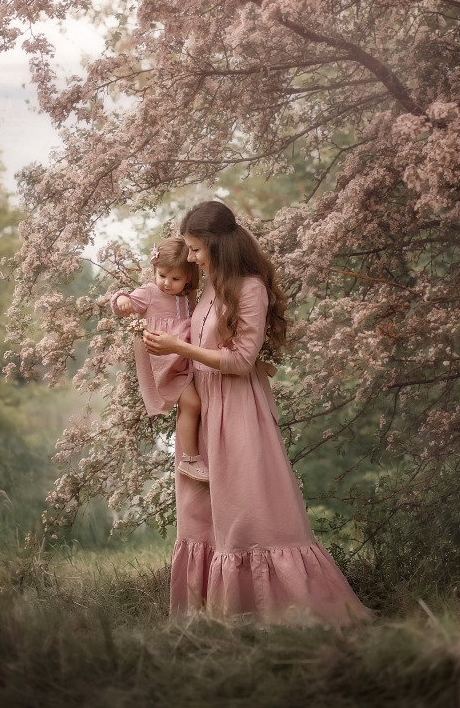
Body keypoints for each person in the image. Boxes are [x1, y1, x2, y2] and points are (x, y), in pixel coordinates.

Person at [143, 200, 370, 625]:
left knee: (251, 512)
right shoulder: (209, 284)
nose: (191, 258)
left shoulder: (250, 288)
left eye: (196, 249)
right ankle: (212, 615)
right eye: (188, 250)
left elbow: (241, 360)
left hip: (238, 410)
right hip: (207, 407)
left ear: (217, 246)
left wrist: (178, 348)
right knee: (200, 515)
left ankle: (276, 613)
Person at [111, 237, 209, 483]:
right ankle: (189, 459)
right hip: (167, 362)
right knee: (192, 404)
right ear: (154, 270)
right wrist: (121, 299)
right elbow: (126, 301)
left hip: (187, 357)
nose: (167, 283)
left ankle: (194, 454)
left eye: (175, 279)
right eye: (162, 275)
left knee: (198, 405)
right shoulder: (150, 293)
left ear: (188, 277)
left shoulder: (190, 296)